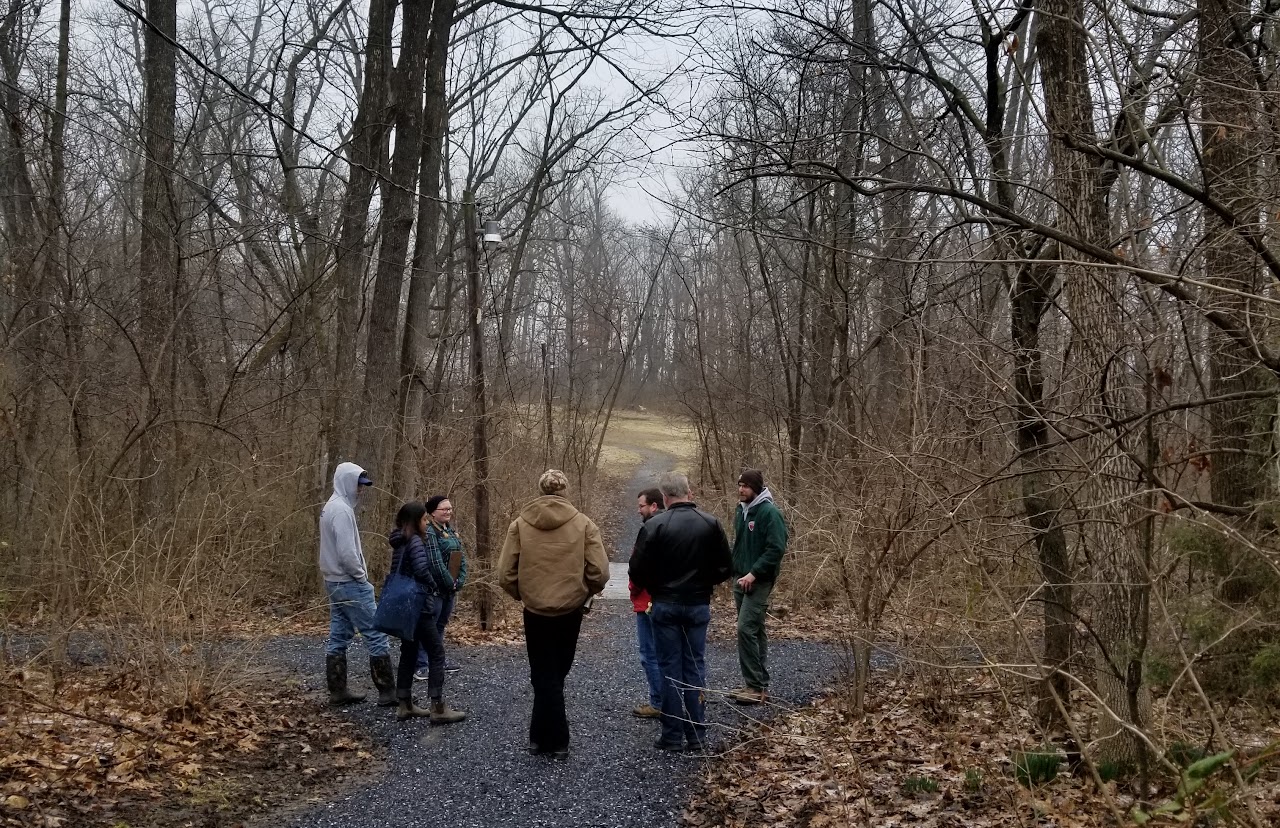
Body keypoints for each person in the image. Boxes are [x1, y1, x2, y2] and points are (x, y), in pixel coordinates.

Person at [498, 469, 609, 759]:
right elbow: (599, 572)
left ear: (541, 490)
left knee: (543, 671)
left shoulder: (520, 525)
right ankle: (559, 740)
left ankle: (538, 738)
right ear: (565, 491)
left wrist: (524, 594)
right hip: (569, 610)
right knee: (557, 671)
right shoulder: (584, 524)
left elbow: (505, 574)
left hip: (535, 610)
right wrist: (585, 592)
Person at [629, 471, 731, 752]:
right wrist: (703, 583)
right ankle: (696, 734)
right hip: (697, 604)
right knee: (695, 665)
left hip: (665, 604)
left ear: (664, 497)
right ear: (689, 492)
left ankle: (672, 735)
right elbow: (725, 567)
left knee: (669, 667)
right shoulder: (710, 523)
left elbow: (636, 569)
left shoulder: (655, 525)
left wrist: (658, 586)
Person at [318, 462, 396, 706]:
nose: (361, 490)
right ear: (346, 483)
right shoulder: (341, 511)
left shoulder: (330, 507)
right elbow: (347, 553)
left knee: (339, 635)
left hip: (334, 581)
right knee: (375, 632)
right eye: (358, 485)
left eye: (362, 486)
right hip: (349, 581)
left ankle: (338, 690)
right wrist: (361, 577)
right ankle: (388, 692)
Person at [386, 501, 466, 724]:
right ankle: (437, 707)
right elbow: (422, 569)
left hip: (405, 604)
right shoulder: (415, 541)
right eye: (423, 519)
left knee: (409, 651)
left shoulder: (400, 541)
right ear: (415, 521)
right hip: (420, 606)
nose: (426, 523)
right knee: (436, 652)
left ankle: (404, 704)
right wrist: (433, 586)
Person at [730, 468, 789, 706]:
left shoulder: (769, 513)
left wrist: (753, 574)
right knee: (755, 629)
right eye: (739, 485)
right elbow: (739, 545)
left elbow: (776, 549)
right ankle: (755, 684)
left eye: (745, 486)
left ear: (755, 487)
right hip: (740, 578)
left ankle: (755, 686)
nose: (741, 489)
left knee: (745, 628)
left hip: (759, 580)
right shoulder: (741, 510)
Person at [414, 495, 466, 681]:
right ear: (433, 512)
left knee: (440, 625)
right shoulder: (429, 532)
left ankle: (437, 659)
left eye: (450, 508)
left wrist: (460, 580)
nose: (448, 512)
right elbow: (435, 563)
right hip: (435, 588)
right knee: (428, 626)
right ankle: (421, 664)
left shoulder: (450, 531)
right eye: (444, 509)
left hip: (449, 588)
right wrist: (449, 582)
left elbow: (461, 558)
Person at [627, 487, 665, 718]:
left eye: (641, 506)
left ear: (654, 506)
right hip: (667, 599)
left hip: (648, 601)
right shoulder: (672, 526)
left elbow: (637, 567)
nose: (638, 510)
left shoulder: (650, 530)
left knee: (650, 654)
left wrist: (634, 589)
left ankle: (658, 702)